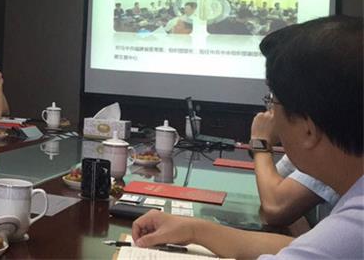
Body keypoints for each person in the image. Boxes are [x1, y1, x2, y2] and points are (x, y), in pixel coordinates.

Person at [132, 15, 363, 259]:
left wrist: (260, 144)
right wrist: (194, 230)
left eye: (272, 100)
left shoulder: (356, 226)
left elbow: (279, 215)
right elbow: (298, 247)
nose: (270, 112)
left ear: (308, 130)